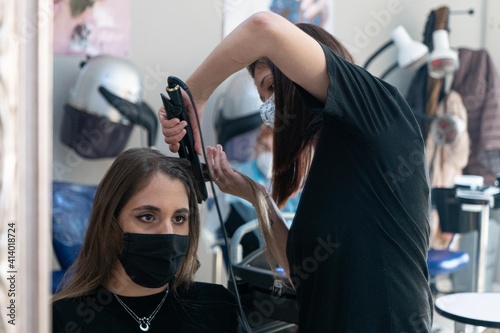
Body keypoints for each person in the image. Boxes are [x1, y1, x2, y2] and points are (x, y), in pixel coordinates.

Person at [159, 12, 432, 332]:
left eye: (272, 86)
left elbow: (263, 28)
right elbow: (300, 273)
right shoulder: (331, 163)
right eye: (263, 99)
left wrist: (194, 94)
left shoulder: (379, 110)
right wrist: (255, 195)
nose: (269, 110)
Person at [52, 148, 239, 333]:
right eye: (147, 217)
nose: (167, 232)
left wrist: (256, 196)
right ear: (110, 223)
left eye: (179, 218)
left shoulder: (218, 306)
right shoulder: (63, 319)